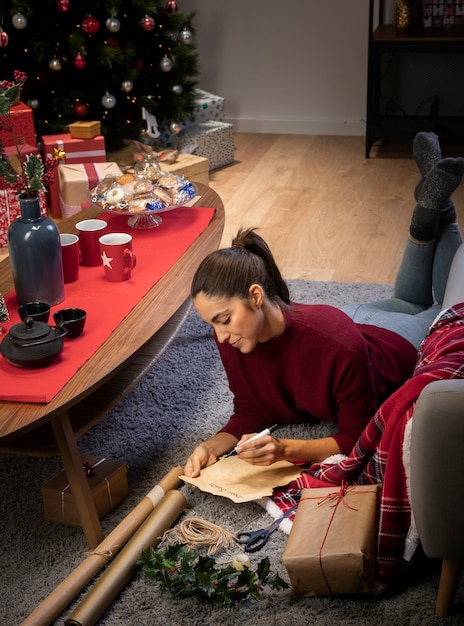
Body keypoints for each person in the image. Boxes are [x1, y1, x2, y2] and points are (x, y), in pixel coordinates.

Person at [183, 132, 464, 478]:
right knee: (408, 299)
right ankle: (428, 213)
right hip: (352, 321)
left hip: (390, 343)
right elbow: (251, 407)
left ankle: (443, 214)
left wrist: (286, 449)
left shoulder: (334, 343)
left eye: (224, 320)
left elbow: (355, 436)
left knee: (445, 311)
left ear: (256, 296)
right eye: (212, 324)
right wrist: (213, 444)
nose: (220, 336)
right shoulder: (234, 335)